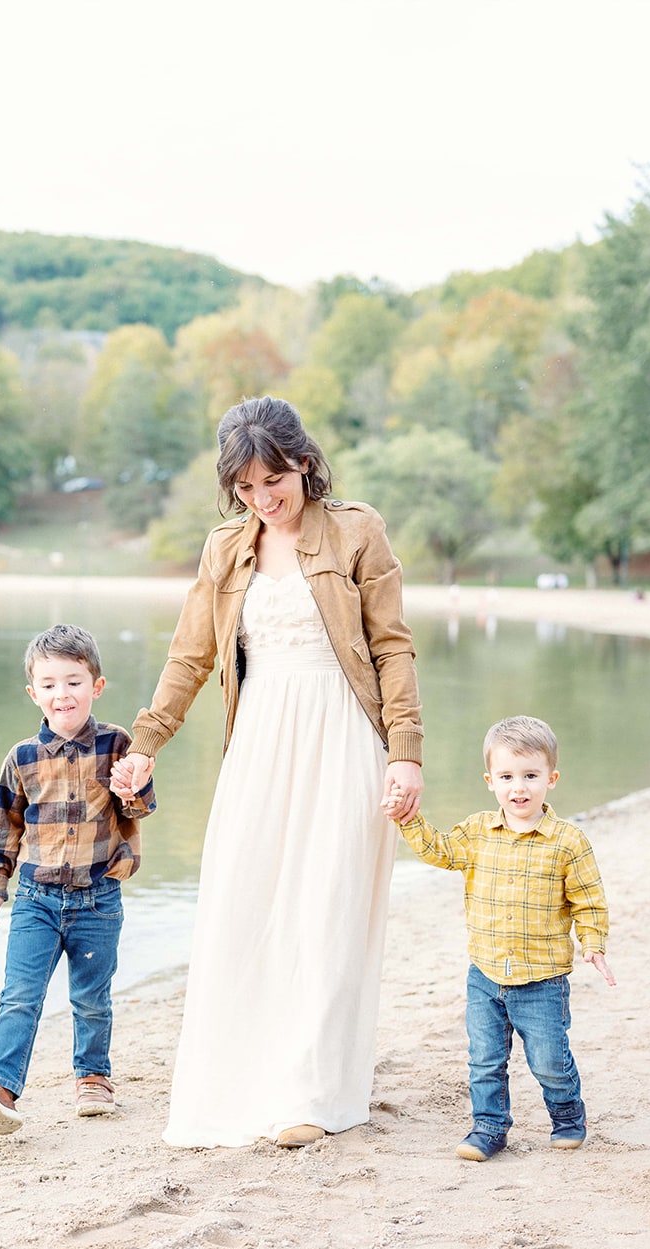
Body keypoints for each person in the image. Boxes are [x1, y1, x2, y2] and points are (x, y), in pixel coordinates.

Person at [111, 395, 423, 1149]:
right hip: (259, 741)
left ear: (304, 464)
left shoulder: (357, 530)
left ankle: (311, 1094)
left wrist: (406, 754)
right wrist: (147, 741)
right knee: (243, 902)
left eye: (273, 481)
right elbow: (192, 654)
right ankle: (245, 1079)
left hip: (344, 732)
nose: (263, 499)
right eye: (246, 488)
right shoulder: (226, 547)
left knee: (326, 910)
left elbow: (392, 647)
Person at [383, 714, 615, 1162]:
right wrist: (408, 818)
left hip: (542, 980)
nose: (519, 787)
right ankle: (489, 1128)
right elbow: (440, 851)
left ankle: (567, 1115)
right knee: (485, 1061)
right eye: (507, 776)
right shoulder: (476, 832)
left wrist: (593, 944)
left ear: (552, 777)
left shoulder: (568, 841)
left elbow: (589, 899)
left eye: (530, 775)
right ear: (490, 780)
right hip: (485, 974)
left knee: (549, 1061)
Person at [0, 624, 156, 1135]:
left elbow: (143, 807)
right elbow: (5, 826)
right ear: (33, 692)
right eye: (48, 684)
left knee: (91, 997)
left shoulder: (117, 743)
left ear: (97, 685)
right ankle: (0, 1090)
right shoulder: (21, 757)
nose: (61, 694)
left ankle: (93, 1078)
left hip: (99, 898)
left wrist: (133, 787)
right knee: (19, 994)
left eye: (73, 681)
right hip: (35, 899)